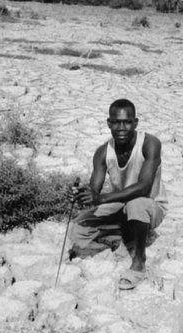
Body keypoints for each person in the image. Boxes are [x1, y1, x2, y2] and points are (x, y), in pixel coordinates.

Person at [67, 98, 168, 290]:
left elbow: (144, 187)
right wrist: (81, 197)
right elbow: (94, 192)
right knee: (78, 229)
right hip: (121, 204)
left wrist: (101, 198)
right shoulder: (102, 152)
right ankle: (123, 236)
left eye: (127, 122)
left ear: (135, 123)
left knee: (136, 203)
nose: (122, 127)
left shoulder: (150, 143)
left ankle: (138, 262)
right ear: (109, 123)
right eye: (116, 122)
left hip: (150, 205)